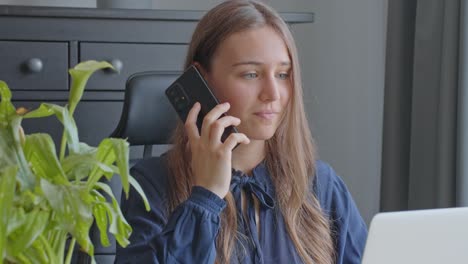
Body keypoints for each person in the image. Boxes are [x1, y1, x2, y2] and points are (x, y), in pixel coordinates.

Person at [115, 1, 367, 263]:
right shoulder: (153, 183)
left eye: (282, 74)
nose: (272, 94)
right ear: (202, 79)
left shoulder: (322, 184)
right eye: (250, 74)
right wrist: (206, 197)